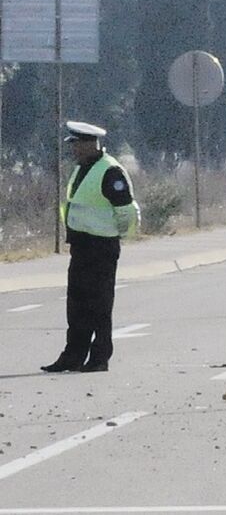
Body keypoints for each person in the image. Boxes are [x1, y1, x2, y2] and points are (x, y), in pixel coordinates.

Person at [41, 121, 140, 373]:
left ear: (89, 144)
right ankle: (73, 355)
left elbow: (126, 211)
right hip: (81, 245)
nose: (73, 149)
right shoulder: (83, 168)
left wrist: (117, 236)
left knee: (99, 305)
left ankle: (99, 358)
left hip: (102, 246)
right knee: (77, 304)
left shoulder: (110, 171)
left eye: (77, 144)